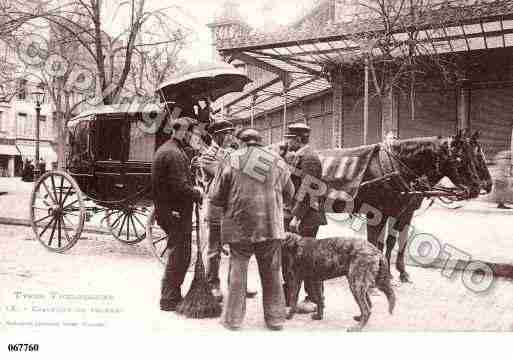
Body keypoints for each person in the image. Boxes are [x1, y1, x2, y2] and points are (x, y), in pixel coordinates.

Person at [210, 128, 294, 330]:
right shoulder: (276, 160)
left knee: (238, 271)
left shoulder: (231, 159)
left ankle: (233, 320)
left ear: (241, 142)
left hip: (239, 227)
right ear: (260, 141)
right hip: (270, 227)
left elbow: (216, 196)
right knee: (272, 272)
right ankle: (275, 319)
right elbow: (290, 192)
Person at [151, 116, 203, 311]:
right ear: (183, 132)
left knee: (178, 253)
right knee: (179, 255)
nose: (193, 137)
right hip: (176, 213)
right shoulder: (174, 154)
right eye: (191, 133)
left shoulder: (170, 149)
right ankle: (169, 299)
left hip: (169, 211)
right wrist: (197, 192)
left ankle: (172, 296)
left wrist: (190, 168)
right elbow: (179, 187)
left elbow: (176, 179)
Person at [282, 122, 327, 314]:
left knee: (309, 260)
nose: (287, 142)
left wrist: (297, 217)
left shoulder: (309, 158)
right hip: (299, 214)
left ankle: (314, 299)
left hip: (306, 217)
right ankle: (294, 299)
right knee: (295, 259)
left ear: (299, 139)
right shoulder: (299, 156)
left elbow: (308, 189)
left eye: (290, 139)